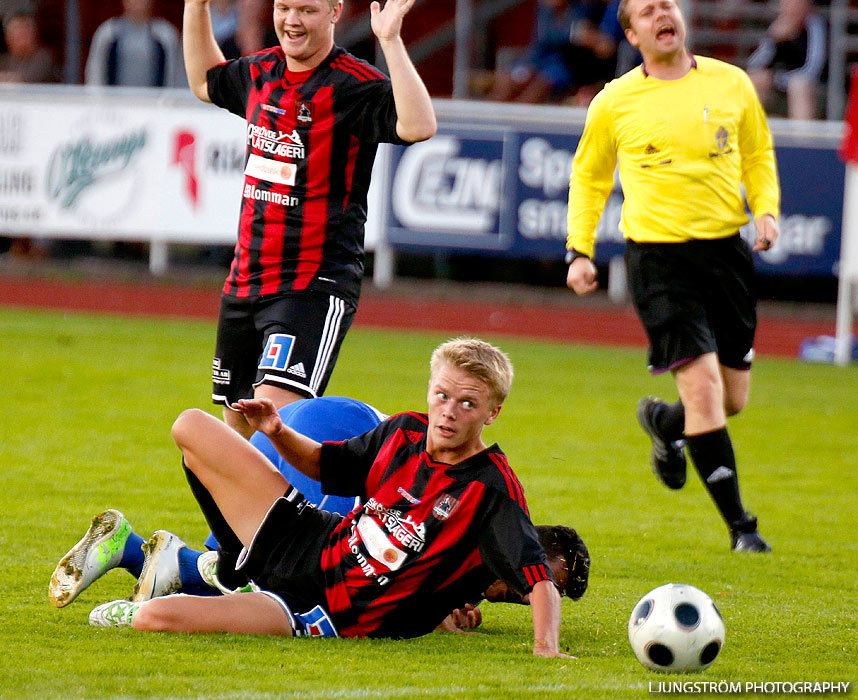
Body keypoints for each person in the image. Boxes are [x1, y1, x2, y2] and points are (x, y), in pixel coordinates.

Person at [82, 338, 571, 657]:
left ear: (492, 413)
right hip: (312, 539)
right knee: (190, 426)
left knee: (153, 618)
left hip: (323, 610)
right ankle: (233, 566)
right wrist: (275, 430)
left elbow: (538, 579)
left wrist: (545, 648)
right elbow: (324, 465)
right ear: (428, 391)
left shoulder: (491, 487)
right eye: (443, 395)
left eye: (468, 404)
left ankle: (223, 585)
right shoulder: (402, 432)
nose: (449, 412)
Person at [565, 0, 779, 553]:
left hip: (727, 256)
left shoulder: (731, 83)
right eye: (646, 9)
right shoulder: (615, 101)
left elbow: (757, 153)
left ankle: (666, 424)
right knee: (705, 391)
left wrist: (767, 210)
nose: (662, 12)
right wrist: (579, 250)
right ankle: (743, 529)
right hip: (659, 262)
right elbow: (589, 179)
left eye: (667, 3)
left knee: (733, 399)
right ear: (632, 33)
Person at [183, 0, 436, 439]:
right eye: (283, 8)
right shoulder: (261, 72)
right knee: (237, 428)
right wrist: (195, 5)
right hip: (246, 279)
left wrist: (390, 41)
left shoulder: (353, 83)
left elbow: (418, 125)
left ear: (335, 12)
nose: (292, 21)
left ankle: (323, 506)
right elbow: (205, 81)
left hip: (312, 282)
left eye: (307, 10)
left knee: (272, 421)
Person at [49, 396, 387, 608]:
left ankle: (132, 549)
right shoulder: (425, 479)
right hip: (336, 454)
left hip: (284, 426)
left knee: (239, 566)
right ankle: (154, 603)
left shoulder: (413, 430)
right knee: (297, 592)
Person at [747, 0, 826, 121]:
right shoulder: (777, 26)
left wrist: (780, 79)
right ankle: (751, 132)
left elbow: (813, 68)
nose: (790, 8)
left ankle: (802, 137)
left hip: (810, 84)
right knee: (755, 79)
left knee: (799, 85)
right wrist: (773, 40)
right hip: (779, 81)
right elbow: (754, 64)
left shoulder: (815, 25)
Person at [85, 0, 184, 87]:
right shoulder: (108, 32)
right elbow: (95, 75)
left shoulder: (165, 35)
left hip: (155, 105)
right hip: (114, 105)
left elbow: (174, 77)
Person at [0, 10, 60, 84]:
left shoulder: (45, 58)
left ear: (35, 34)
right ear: (7, 38)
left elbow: (23, 81)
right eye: (18, 32)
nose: (23, 36)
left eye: (26, 31)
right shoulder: (4, 60)